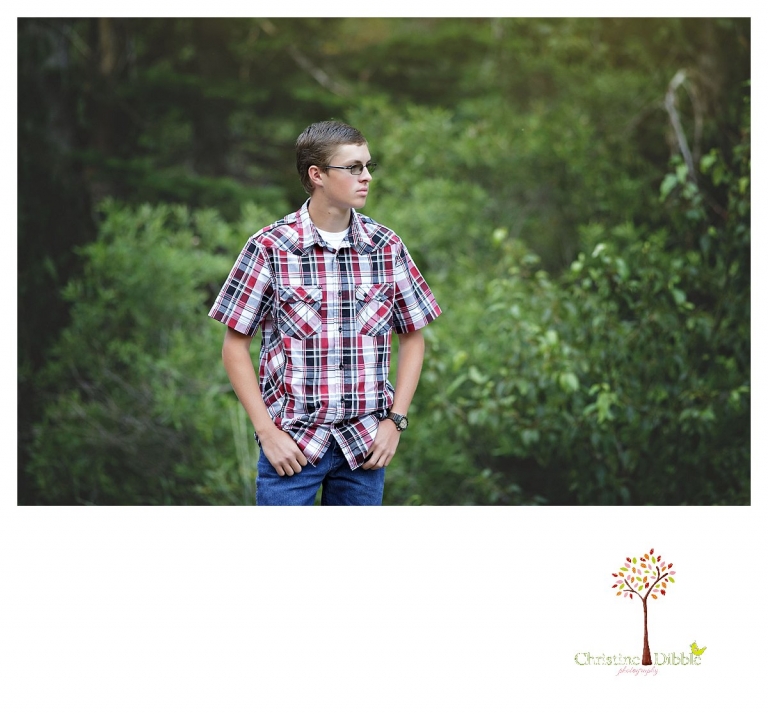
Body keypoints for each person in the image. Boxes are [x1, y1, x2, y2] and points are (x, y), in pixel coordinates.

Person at [208, 120, 442, 505]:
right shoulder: (269, 247)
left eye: (367, 166)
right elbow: (234, 348)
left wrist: (395, 422)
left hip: (364, 450)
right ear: (317, 175)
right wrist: (267, 433)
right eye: (353, 168)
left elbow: (413, 335)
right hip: (292, 449)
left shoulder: (386, 246)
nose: (366, 176)